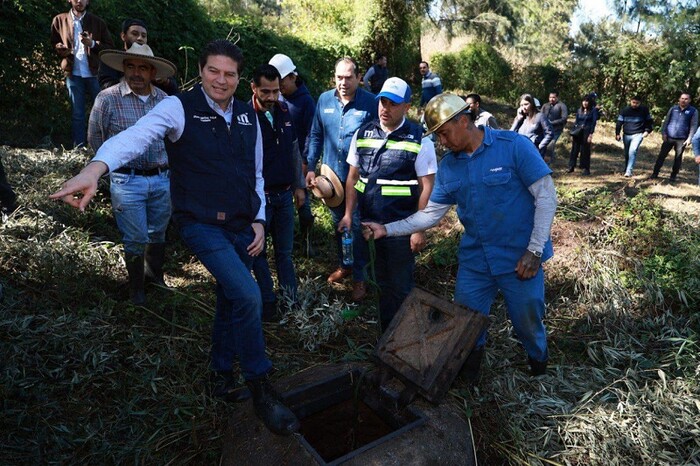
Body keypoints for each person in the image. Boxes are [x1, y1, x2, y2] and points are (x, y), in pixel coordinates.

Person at [50, 40, 300, 437]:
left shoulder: (249, 116)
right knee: (249, 295)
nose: (221, 80)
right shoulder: (177, 107)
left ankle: (219, 377)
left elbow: (255, 174)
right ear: (200, 71)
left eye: (230, 74)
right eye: (213, 71)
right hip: (201, 225)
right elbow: (135, 137)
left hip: (241, 225)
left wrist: (259, 219)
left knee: (229, 299)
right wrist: (94, 170)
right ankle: (261, 387)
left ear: (241, 79)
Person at [362, 93, 557, 379]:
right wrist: (387, 229)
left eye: (443, 133)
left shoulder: (514, 146)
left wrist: (535, 251)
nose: (442, 142)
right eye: (438, 136)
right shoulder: (451, 166)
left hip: (520, 257)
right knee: (465, 320)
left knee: (527, 320)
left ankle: (539, 367)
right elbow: (430, 215)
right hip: (476, 261)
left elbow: (546, 197)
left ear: (463, 121)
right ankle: (468, 378)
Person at [339, 77, 437, 330]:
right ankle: (387, 337)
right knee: (380, 283)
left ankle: (405, 339)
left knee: (401, 286)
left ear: (406, 106)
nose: (385, 108)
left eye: (393, 103)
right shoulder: (363, 133)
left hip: (400, 226)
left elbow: (427, 186)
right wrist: (349, 214)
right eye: (382, 101)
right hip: (367, 224)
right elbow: (352, 177)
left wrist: (419, 228)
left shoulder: (419, 140)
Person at [88, 43, 176, 305]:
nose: (136, 73)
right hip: (127, 180)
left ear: (152, 72)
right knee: (135, 236)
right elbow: (96, 139)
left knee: (158, 231)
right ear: (123, 68)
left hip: (161, 177)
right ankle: (136, 290)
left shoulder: (166, 101)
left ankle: (155, 279)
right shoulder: (107, 99)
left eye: (142, 68)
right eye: (130, 66)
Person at [306, 57, 378, 301]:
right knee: (339, 224)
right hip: (331, 178)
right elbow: (316, 135)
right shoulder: (324, 100)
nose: (343, 82)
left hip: (359, 178)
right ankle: (345, 264)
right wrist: (311, 166)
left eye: (348, 77)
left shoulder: (371, 104)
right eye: (339, 77)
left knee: (356, 225)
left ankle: (360, 277)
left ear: (359, 78)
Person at [248, 64, 305, 320]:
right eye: (265, 92)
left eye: (275, 91)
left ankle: (290, 301)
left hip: (284, 196)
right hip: (259, 199)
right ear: (253, 88)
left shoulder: (283, 110)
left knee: (285, 253)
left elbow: (293, 150)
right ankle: (267, 301)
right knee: (257, 252)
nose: (271, 97)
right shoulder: (244, 115)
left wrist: (299, 185)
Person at [268, 53, 317, 257]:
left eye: (281, 82)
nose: (279, 87)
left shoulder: (306, 102)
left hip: (300, 163)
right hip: (277, 164)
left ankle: (306, 240)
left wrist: (305, 163)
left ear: (292, 77)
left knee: (303, 204)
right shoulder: (276, 99)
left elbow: (311, 135)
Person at [51, 0, 114, 148]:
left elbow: (109, 47)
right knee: (77, 114)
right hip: (73, 74)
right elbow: (54, 42)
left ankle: (105, 147)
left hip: (95, 74)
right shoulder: (59, 20)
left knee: (103, 112)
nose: (79, 1)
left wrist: (92, 44)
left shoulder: (98, 22)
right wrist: (60, 48)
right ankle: (79, 148)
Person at [98, 18, 178, 95]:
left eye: (143, 36)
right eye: (135, 34)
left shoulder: (152, 62)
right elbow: (106, 85)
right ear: (123, 36)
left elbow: (174, 91)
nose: (140, 38)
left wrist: (164, 81)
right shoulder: (113, 60)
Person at [651, 92, 698, 181]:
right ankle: (655, 173)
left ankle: (673, 176)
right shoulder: (673, 109)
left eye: (686, 99)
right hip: (669, 137)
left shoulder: (693, 111)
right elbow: (666, 121)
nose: (684, 100)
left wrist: (689, 138)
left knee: (678, 158)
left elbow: (693, 125)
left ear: (689, 100)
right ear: (679, 99)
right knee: (661, 156)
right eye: (682, 98)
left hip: (682, 139)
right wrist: (663, 133)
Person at [615, 95, 653, 177]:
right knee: (627, 153)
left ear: (640, 103)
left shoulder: (644, 110)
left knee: (632, 151)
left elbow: (649, 122)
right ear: (630, 101)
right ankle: (626, 168)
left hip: (638, 134)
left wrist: (647, 131)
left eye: (637, 103)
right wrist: (617, 133)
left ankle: (629, 171)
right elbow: (619, 122)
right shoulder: (625, 110)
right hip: (626, 134)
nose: (635, 104)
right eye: (633, 102)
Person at [510, 94, 553, 158]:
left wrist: (540, 146)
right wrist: (518, 119)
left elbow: (549, 133)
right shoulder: (521, 118)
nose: (523, 107)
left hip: (534, 153)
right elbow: (511, 133)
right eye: (521, 105)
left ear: (532, 104)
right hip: (521, 150)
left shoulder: (540, 116)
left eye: (526, 104)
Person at [568, 95, 598, 176]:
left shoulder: (593, 111)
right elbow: (576, 121)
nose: (585, 103)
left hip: (587, 131)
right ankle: (571, 166)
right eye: (583, 101)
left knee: (585, 150)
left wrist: (591, 134)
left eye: (587, 101)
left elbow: (593, 123)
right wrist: (573, 131)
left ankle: (586, 168)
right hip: (578, 131)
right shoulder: (579, 110)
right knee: (575, 149)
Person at [540, 92, 568, 164]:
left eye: (553, 97)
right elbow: (540, 115)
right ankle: (547, 160)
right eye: (550, 97)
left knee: (550, 145)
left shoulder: (562, 106)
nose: (551, 99)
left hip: (556, 130)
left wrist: (552, 122)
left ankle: (548, 163)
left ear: (557, 98)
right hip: (545, 129)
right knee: (544, 145)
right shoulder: (545, 106)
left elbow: (564, 118)